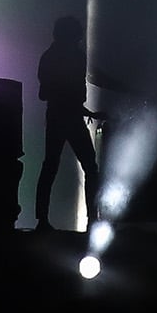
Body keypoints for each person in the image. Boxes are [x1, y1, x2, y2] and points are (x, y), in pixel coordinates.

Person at [32, 14, 102, 230]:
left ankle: (42, 220)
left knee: (51, 166)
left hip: (58, 116)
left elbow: (45, 94)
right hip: (67, 117)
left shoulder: (50, 57)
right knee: (89, 166)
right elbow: (54, 93)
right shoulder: (74, 57)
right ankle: (93, 219)